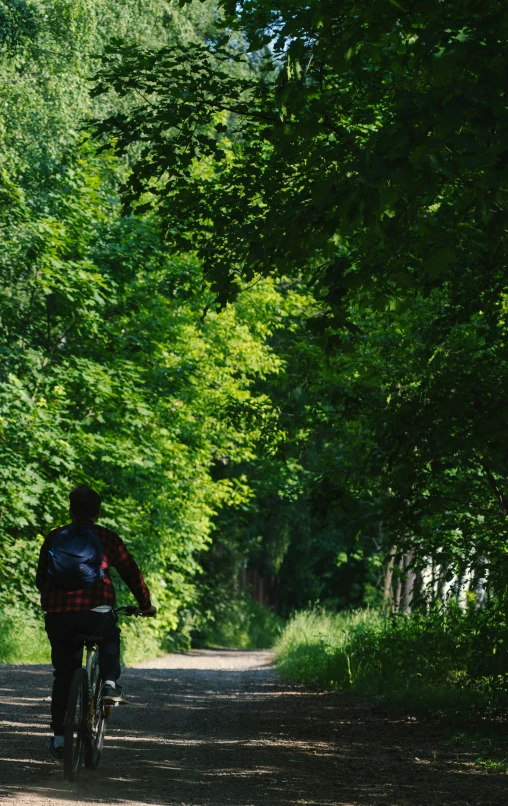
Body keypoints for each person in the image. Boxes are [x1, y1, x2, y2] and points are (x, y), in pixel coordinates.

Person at [36, 485, 156, 761]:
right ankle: (110, 684)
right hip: (96, 611)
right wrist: (145, 604)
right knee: (109, 635)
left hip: (58, 615)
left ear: (71, 509)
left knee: (64, 674)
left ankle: (59, 739)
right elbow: (131, 572)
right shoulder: (106, 537)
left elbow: (41, 578)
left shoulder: (54, 537)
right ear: (98, 511)